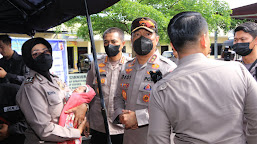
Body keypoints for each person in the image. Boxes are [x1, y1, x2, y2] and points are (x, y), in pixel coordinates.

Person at [147, 11, 257, 144]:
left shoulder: (161, 89)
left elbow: (157, 139)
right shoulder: (238, 71)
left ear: (173, 45)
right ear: (204, 39)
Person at [112, 17, 177, 144]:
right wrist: (121, 115)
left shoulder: (168, 68)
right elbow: (118, 97)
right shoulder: (126, 67)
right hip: (130, 138)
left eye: (148, 34)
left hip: (156, 139)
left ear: (156, 39)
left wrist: (138, 118)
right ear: (131, 40)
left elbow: (171, 106)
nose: (142, 38)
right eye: (137, 34)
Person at [16, 37, 89, 144]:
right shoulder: (31, 87)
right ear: (28, 59)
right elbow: (44, 130)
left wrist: (83, 106)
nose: (44, 56)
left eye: (46, 51)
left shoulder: (54, 79)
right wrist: (76, 132)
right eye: (36, 54)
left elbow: (72, 98)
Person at [86, 27, 131, 144]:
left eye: (114, 42)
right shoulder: (96, 64)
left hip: (122, 127)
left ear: (122, 44)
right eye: (106, 42)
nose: (109, 45)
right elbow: (88, 92)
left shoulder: (130, 66)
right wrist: (86, 118)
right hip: (98, 125)